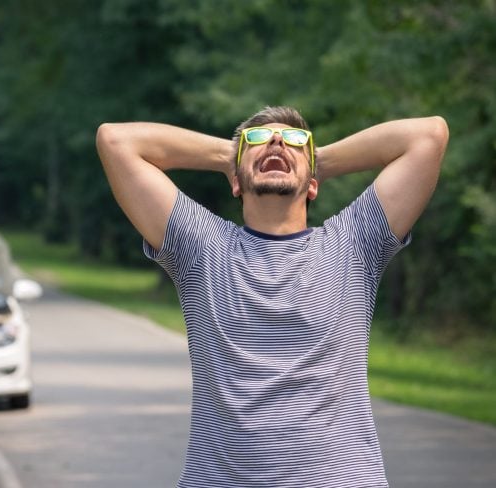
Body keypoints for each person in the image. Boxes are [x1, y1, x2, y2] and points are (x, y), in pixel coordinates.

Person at [95, 106, 449, 488]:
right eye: (258, 140)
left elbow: (428, 136)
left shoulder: (353, 244)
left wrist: (319, 159)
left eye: (295, 141)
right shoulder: (201, 247)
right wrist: (232, 155)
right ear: (235, 182)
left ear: (313, 184)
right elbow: (116, 141)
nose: (277, 141)